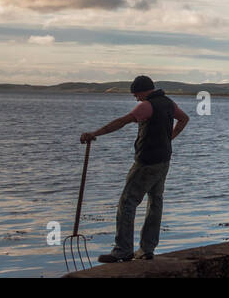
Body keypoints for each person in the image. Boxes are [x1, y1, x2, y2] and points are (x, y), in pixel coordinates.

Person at [79, 75, 188, 262]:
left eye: (136, 94)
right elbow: (184, 119)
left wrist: (95, 134)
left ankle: (123, 250)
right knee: (155, 202)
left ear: (142, 91)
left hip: (146, 162)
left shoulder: (146, 105)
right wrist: (169, 138)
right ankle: (147, 250)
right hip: (163, 160)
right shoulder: (168, 103)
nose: (136, 98)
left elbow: (121, 122)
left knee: (127, 203)